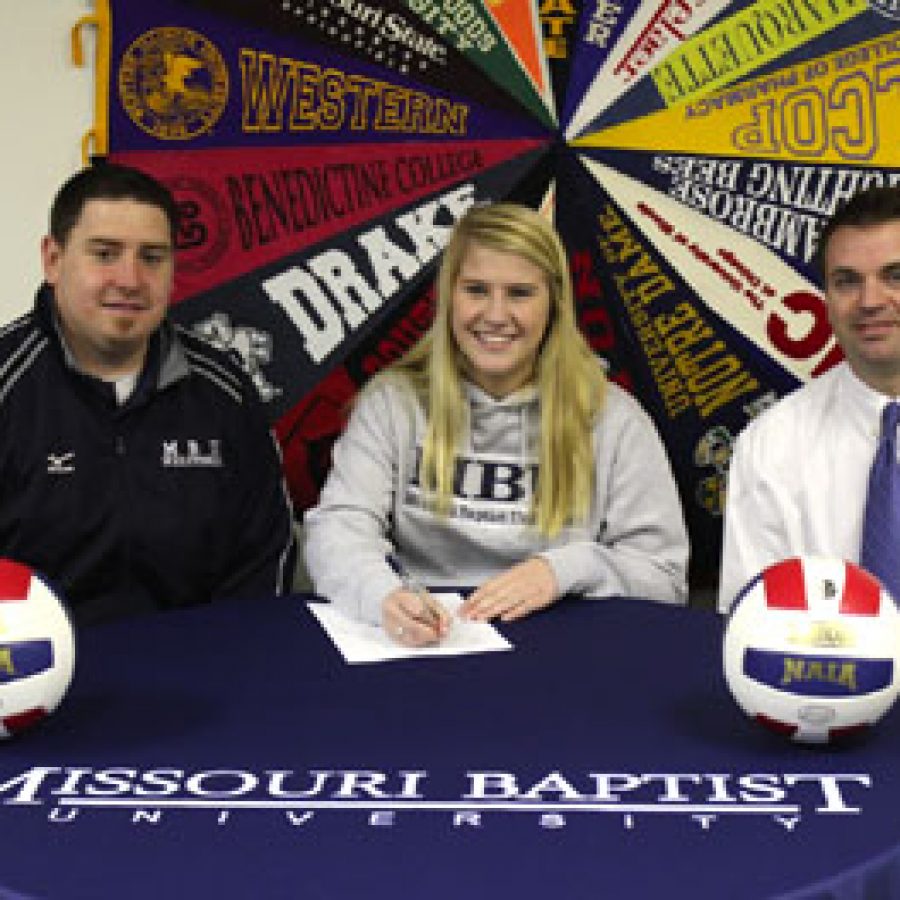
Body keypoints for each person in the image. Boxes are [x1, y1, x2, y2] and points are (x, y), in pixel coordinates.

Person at [304, 202, 689, 645]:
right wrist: (383, 596)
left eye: (520, 293)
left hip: (566, 648)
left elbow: (664, 579)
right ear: (449, 296)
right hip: (427, 645)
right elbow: (338, 527)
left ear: (555, 305)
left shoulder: (615, 419)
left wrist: (565, 569)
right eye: (476, 290)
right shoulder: (392, 404)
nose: (495, 314)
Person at [0, 163, 296, 624]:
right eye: (105, 253)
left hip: (199, 667)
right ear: (53, 260)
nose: (131, 280)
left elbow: (264, 554)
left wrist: (235, 658)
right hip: (30, 676)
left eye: (152, 257)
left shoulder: (226, 392)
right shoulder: (8, 386)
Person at [718, 184, 900, 612]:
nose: (870, 301)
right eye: (847, 282)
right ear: (825, 299)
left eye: (895, 276)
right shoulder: (770, 445)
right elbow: (755, 624)